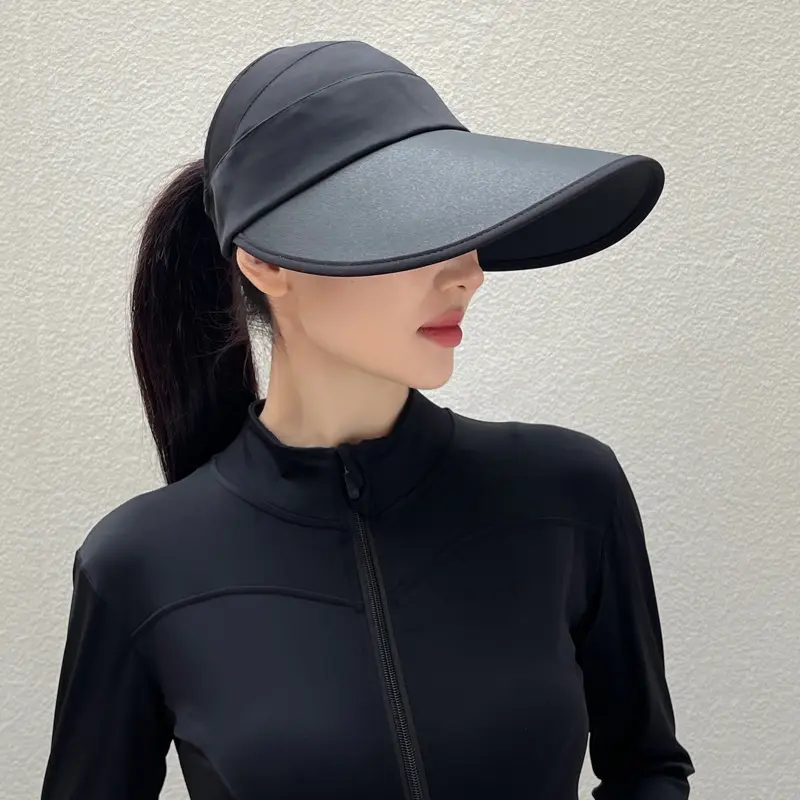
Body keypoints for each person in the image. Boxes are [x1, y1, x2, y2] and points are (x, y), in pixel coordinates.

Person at [40, 40, 695, 800]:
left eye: (463, 225)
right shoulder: (138, 564)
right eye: (409, 224)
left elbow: (647, 768)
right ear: (266, 262)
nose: (468, 273)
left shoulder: (569, 493)